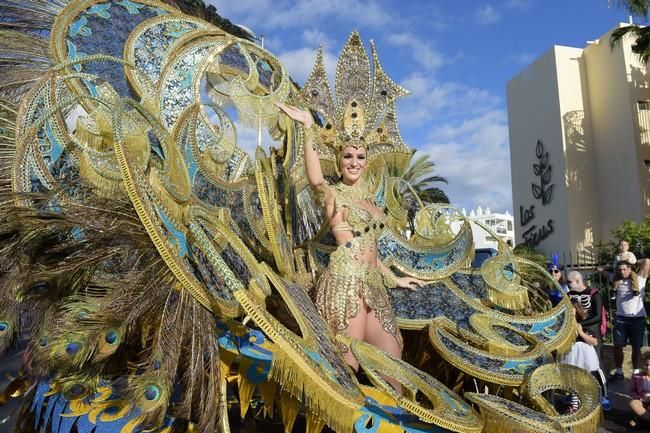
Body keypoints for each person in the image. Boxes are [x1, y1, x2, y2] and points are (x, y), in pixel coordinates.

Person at [276, 102, 424, 392]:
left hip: (373, 287)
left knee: (394, 372)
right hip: (344, 286)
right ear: (339, 158)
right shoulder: (333, 195)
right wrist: (307, 127)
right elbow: (316, 179)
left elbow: (372, 250)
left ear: (367, 161)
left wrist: (396, 278)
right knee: (346, 373)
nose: (354, 162)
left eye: (359, 156)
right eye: (347, 156)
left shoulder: (371, 201)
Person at [561, 298, 609, 412]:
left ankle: (588, 405)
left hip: (584, 354)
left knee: (586, 379)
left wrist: (581, 332)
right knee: (573, 380)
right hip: (570, 354)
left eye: (571, 309)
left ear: (576, 310)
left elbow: (594, 341)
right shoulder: (563, 326)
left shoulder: (584, 324)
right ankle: (574, 405)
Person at [610, 261, 647, 382]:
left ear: (630, 269)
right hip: (621, 318)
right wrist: (605, 267)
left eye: (625, 269)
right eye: (620, 270)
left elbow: (647, 261)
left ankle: (636, 372)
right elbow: (603, 272)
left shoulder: (640, 278)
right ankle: (619, 372)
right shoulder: (616, 279)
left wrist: (633, 260)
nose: (622, 272)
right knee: (617, 346)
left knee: (636, 347)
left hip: (637, 318)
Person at [567, 271, 603, 359]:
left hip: (591, 330)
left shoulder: (594, 294)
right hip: (575, 332)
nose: (568, 284)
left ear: (578, 281)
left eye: (569, 282)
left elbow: (598, 316)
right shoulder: (569, 295)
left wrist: (579, 325)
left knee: (596, 361)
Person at [629, 353, 650, 429]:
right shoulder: (637, 377)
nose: (648, 367)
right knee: (633, 403)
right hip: (641, 401)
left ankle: (639, 420)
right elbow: (632, 391)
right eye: (646, 365)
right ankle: (644, 420)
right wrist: (640, 397)